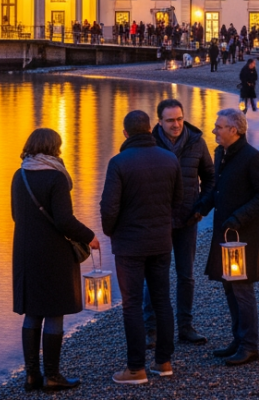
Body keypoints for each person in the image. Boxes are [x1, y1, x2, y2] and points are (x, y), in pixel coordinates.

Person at [99, 111, 183, 384]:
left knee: (132, 304)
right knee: (162, 300)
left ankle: (136, 368)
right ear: (150, 129)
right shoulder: (169, 158)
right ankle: (164, 362)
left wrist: (111, 231)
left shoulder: (119, 162)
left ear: (125, 133)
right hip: (160, 241)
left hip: (129, 245)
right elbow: (178, 200)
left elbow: (109, 207)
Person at [13, 128, 99, 391]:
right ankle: (52, 376)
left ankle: (31, 376)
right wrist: (90, 236)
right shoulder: (56, 176)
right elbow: (64, 220)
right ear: (54, 147)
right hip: (53, 253)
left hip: (25, 252)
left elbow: (16, 215)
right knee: (53, 311)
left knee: (33, 311)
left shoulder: (20, 174)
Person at [193, 108, 259, 366]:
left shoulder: (253, 158)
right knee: (229, 285)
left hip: (243, 234)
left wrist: (239, 218)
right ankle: (238, 339)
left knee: (242, 288)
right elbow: (217, 188)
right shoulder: (222, 153)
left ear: (234, 130)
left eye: (219, 127)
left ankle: (250, 345)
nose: (214, 130)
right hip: (225, 230)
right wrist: (201, 207)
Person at [144, 100, 216, 348]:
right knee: (154, 276)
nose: (176, 124)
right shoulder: (149, 143)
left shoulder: (197, 142)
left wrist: (201, 207)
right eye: (170, 120)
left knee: (186, 276)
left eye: (179, 119)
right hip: (158, 221)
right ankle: (151, 329)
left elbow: (210, 178)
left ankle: (185, 327)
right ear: (159, 122)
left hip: (187, 219)